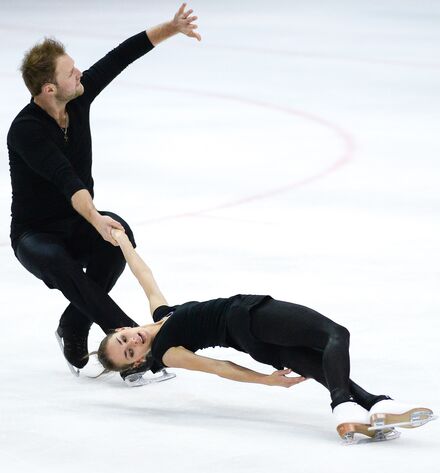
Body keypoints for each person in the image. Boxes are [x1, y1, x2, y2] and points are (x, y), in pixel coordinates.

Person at [7, 4, 201, 383]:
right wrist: (94, 219)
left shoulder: (76, 97)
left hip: (75, 221)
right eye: (70, 72)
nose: (79, 73)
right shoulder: (26, 131)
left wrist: (172, 27)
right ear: (49, 90)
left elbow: (121, 55)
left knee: (117, 235)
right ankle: (139, 347)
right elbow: (68, 180)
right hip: (35, 236)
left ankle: (73, 325)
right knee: (68, 262)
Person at [94, 229, 434, 441]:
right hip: (248, 317)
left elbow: (143, 273)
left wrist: (122, 240)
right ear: (138, 361)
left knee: (320, 366)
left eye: (123, 339)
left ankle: (372, 405)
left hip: (254, 343)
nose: (131, 343)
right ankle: (343, 406)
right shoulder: (167, 352)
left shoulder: (161, 314)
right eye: (128, 353)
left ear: (123, 329)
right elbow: (219, 367)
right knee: (335, 334)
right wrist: (265, 382)